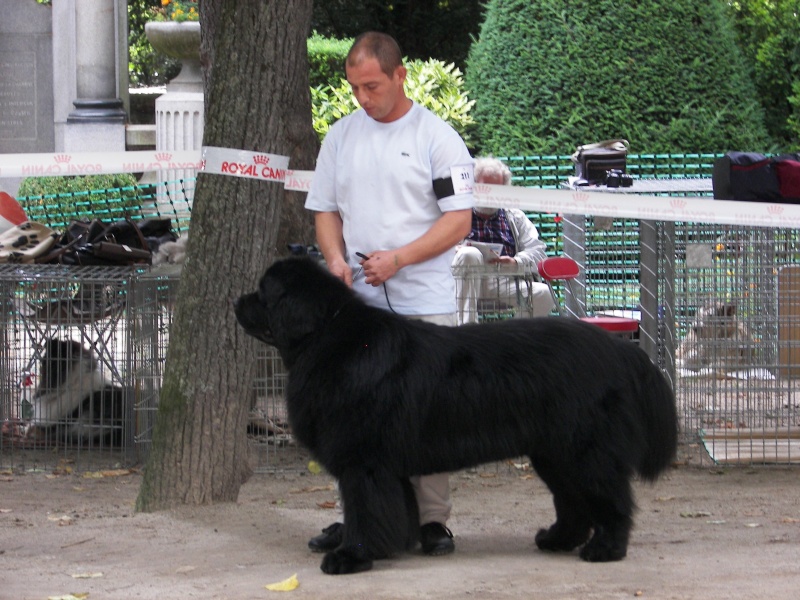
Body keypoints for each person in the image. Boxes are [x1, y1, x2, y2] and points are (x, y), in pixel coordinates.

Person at [303, 31, 474, 557]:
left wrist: (399, 258)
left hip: (424, 302)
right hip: (359, 307)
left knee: (426, 416)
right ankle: (361, 519)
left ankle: (431, 521)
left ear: (400, 76)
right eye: (355, 88)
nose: (362, 97)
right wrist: (335, 259)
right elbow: (325, 209)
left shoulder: (438, 138)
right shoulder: (340, 137)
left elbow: (459, 220)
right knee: (352, 418)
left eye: (372, 86)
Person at [452, 157, 554, 324]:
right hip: (462, 282)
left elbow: (538, 251)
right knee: (469, 253)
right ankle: (466, 331)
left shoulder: (515, 216)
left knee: (543, 294)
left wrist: (516, 261)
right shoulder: (456, 213)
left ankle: (511, 341)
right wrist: (455, 250)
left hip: (502, 280)